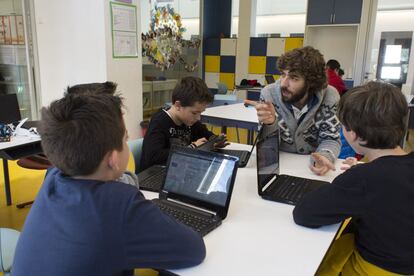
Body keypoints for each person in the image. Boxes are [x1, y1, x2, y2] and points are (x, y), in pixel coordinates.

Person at [12, 86, 206, 276]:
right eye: (125, 139)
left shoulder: (53, 178)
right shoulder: (119, 204)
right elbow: (194, 249)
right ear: (113, 159)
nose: (127, 143)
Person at [293, 81, 414, 275]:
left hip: (372, 269)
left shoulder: (364, 179)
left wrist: (352, 178)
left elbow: (305, 213)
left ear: (353, 135)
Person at [245, 46, 341, 176]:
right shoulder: (269, 94)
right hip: (280, 166)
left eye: (294, 78)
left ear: (311, 82)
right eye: (283, 75)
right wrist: (270, 124)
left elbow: (330, 138)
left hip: (311, 170)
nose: (284, 83)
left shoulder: (330, 96)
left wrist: (324, 156)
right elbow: (267, 147)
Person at [140, 76, 224, 172]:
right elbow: (154, 157)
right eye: (194, 113)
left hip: (177, 171)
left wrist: (214, 141)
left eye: (201, 112)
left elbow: (205, 133)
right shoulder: (159, 122)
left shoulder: (189, 120)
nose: (198, 118)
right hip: (155, 175)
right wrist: (191, 148)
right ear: (178, 106)